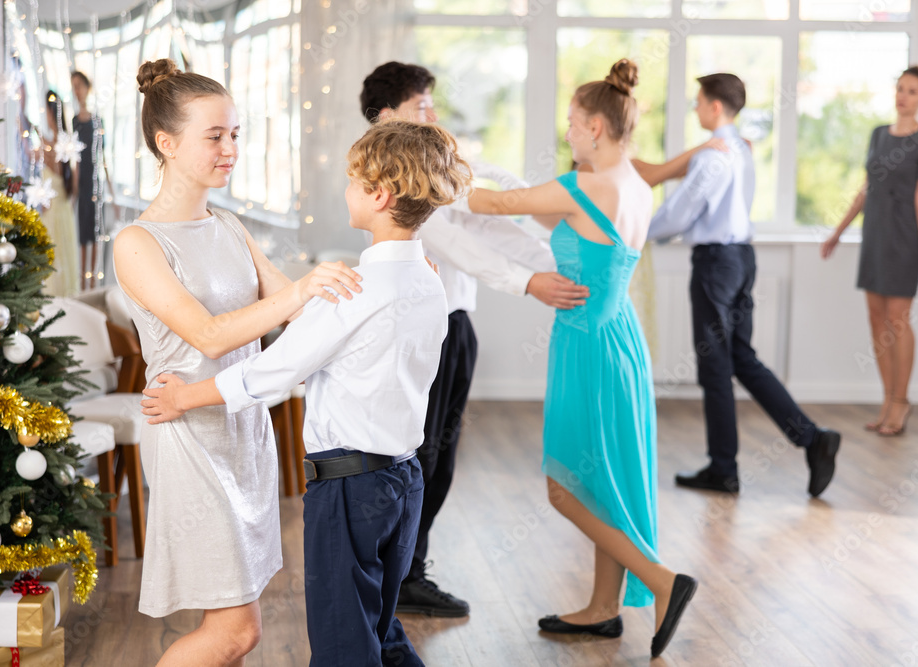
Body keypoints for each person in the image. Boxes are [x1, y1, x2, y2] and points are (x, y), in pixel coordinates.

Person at [141, 119, 473, 667]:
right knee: (380, 633)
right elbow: (331, 360)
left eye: (352, 180)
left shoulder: (354, 291)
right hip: (403, 480)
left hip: (349, 489)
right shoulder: (429, 279)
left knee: (346, 646)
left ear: (380, 195)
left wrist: (184, 397)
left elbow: (272, 372)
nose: (345, 190)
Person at [113, 58, 362, 667]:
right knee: (235, 632)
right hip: (188, 434)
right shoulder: (138, 243)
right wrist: (298, 293)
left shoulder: (227, 224)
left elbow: (298, 312)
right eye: (214, 136)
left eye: (235, 135)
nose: (230, 150)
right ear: (165, 143)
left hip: (244, 432)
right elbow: (209, 334)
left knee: (233, 620)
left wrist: (391, 280)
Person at [468, 59, 696, 659]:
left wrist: (437, 171)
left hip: (588, 346)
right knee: (605, 480)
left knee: (566, 487)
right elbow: (542, 213)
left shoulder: (584, 186)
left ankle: (663, 581)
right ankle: (602, 609)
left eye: (572, 122)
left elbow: (495, 204)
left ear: (597, 126)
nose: (566, 133)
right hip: (620, 338)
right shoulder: (632, 188)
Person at [360, 61, 589, 618]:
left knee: (440, 457)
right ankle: (401, 576)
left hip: (454, 325)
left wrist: (555, 261)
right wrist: (528, 281)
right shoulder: (390, 170)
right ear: (387, 114)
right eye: (421, 106)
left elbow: (488, 221)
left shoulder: (433, 160)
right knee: (420, 456)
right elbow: (453, 241)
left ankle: (408, 569)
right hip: (423, 329)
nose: (432, 115)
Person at [647, 73, 840, 496]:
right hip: (741, 259)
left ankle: (723, 468)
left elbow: (679, 214)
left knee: (715, 367)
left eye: (698, 102)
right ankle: (813, 438)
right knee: (740, 359)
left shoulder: (712, 155)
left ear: (716, 106)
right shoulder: (742, 149)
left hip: (716, 264)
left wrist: (634, 231)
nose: (696, 109)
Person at [821, 66, 918, 437]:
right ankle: (887, 399)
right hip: (874, 233)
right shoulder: (877, 135)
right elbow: (866, 188)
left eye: (912, 91)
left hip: (904, 237)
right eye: (900, 88)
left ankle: (901, 402)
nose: (903, 95)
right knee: (876, 318)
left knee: (897, 319)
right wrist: (838, 232)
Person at [71, 71, 119, 290]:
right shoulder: (73, 121)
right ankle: (83, 284)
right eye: (74, 86)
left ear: (87, 88)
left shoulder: (97, 121)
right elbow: (75, 160)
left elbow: (103, 158)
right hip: (81, 187)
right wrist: (73, 189)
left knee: (95, 232)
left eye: (79, 85)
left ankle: (91, 284)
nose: (76, 90)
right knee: (83, 234)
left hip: (96, 185)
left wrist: (112, 192)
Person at [39, 90, 80, 297]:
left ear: (49, 113)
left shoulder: (48, 147)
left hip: (54, 213)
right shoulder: (67, 145)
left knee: (54, 259)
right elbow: (75, 186)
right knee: (64, 258)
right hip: (65, 210)